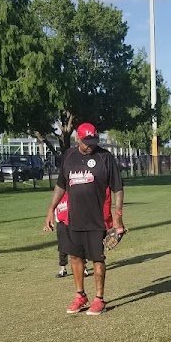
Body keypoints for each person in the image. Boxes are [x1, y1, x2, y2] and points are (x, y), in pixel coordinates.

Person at [43, 123, 125, 315]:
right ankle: (80, 295)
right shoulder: (69, 157)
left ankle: (99, 299)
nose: (91, 145)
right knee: (75, 257)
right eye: (87, 142)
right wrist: (51, 209)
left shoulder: (105, 157)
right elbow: (61, 185)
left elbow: (117, 188)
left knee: (98, 258)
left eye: (94, 141)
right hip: (74, 218)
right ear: (77, 139)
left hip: (97, 219)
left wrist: (118, 216)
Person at [54, 190, 111, 278]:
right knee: (62, 247)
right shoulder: (58, 197)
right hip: (62, 224)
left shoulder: (73, 194)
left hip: (74, 224)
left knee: (79, 249)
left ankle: (84, 268)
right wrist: (57, 220)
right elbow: (56, 211)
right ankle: (63, 268)